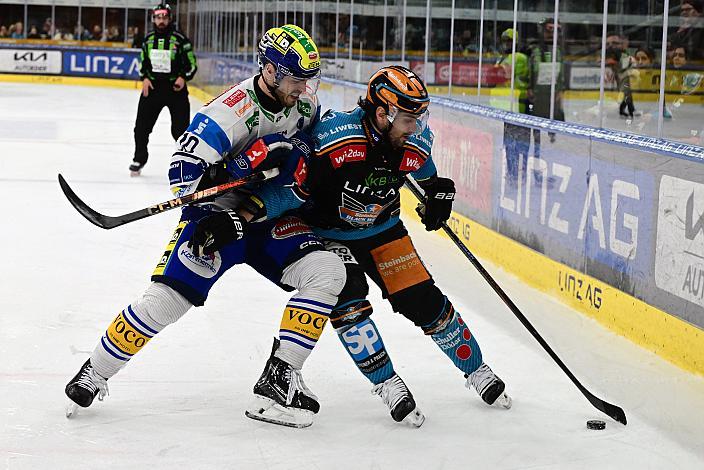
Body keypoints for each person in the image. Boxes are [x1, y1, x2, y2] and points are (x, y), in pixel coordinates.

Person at [64, 25, 346, 429]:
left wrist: (286, 162)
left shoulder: (303, 104)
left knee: (327, 271)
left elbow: (307, 149)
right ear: (268, 70)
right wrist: (232, 171)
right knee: (165, 302)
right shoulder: (228, 112)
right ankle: (94, 371)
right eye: (295, 79)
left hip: (266, 215)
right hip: (214, 215)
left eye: (307, 80)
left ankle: (279, 378)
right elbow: (182, 173)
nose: (303, 88)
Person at [252, 65, 512, 427]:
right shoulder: (334, 139)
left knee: (422, 299)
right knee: (350, 296)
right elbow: (292, 190)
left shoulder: (412, 138)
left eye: (420, 118)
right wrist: (249, 212)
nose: (417, 128)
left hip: (383, 228)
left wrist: (438, 194)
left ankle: (477, 369)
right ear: (381, 113)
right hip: (327, 234)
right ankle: (388, 383)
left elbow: (426, 174)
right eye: (409, 119)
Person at [129, 3, 197, 176]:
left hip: (176, 90)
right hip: (152, 88)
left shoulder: (180, 40)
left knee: (181, 131)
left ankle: (187, 164)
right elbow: (142, 62)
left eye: (164, 18)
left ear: (169, 19)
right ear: (153, 19)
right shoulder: (148, 40)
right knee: (141, 128)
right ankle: (139, 159)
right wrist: (144, 78)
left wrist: (183, 77)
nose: (161, 21)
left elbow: (192, 64)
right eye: (158, 18)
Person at [490, 28, 532, 185]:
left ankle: (519, 173)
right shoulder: (503, 58)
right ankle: (513, 173)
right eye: (505, 41)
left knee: (520, 144)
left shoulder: (517, 58)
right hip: (507, 107)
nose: (506, 44)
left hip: (517, 106)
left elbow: (502, 75)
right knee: (509, 144)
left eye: (509, 41)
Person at [528, 18, 565, 151]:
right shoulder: (536, 50)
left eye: (556, 30)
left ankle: (552, 135)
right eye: (549, 29)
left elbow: (561, 73)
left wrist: (560, 90)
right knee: (536, 117)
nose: (552, 33)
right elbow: (531, 70)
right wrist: (530, 87)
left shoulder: (559, 51)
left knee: (553, 114)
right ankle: (537, 140)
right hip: (539, 91)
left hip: (552, 91)